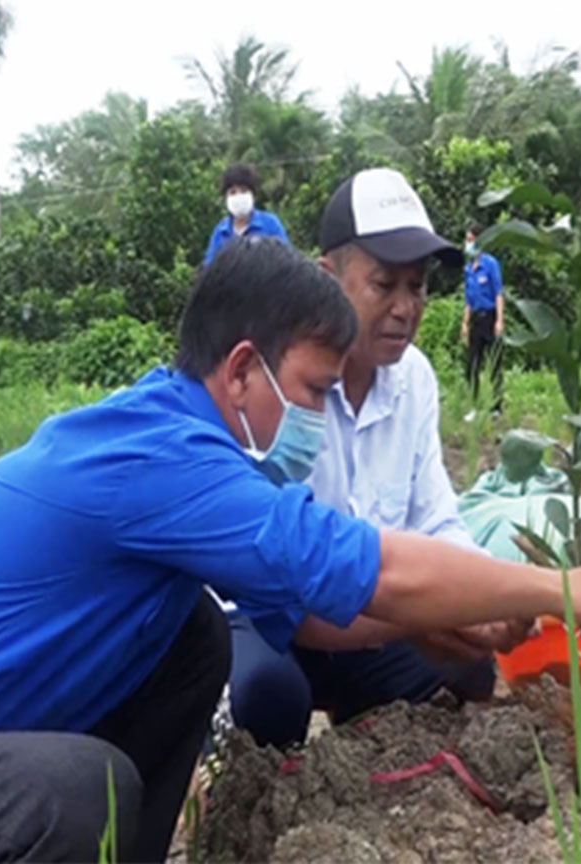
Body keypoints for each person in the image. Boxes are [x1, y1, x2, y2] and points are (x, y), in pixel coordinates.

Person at [0, 238, 581, 864]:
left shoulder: (183, 443)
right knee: (81, 788)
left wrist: (424, 630)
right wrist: (558, 586)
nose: (317, 419)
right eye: (310, 391)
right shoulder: (158, 457)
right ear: (241, 370)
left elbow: (309, 617)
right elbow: (373, 565)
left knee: (195, 639)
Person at [227, 170, 520, 749]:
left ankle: (373, 760)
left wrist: (487, 596)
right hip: (271, 620)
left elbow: (434, 520)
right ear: (326, 279)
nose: (405, 308)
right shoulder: (275, 383)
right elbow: (278, 575)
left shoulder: (414, 379)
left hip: (367, 624)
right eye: (384, 284)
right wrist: (417, 614)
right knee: (266, 693)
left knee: (468, 665)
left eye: (418, 287)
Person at [202, 162, 291, 266]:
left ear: (253, 195)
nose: (238, 196)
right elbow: (210, 268)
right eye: (232, 192)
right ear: (225, 198)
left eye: (244, 191)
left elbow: (287, 262)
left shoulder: (271, 224)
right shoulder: (221, 232)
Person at [459, 222, 505, 421]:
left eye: (470, 240)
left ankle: (497, 407)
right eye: (467, 240)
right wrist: (465, 323)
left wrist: (500, 321)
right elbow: (468, 300)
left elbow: (499, 293)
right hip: (476, 319)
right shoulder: (468, 269)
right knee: (473, 364)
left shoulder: (490, 264)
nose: (467, 244)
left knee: (494, 363)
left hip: (490, 316)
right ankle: (474, 406)